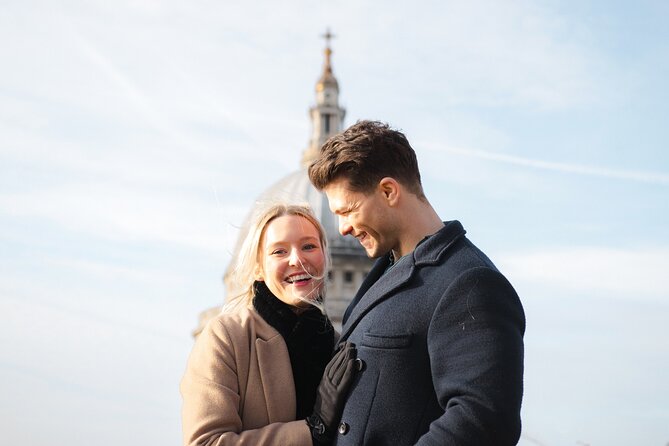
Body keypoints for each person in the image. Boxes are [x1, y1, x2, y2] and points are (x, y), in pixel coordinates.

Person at [308, 120, 526, 445]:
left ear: (388, 191)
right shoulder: (385, 269)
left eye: (349, 210)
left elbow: (482, 421)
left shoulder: (470, 282)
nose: (342, 228)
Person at [180, 203, 358, 446]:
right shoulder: (226, 337)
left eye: (309, 246)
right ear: (258, 268)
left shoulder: (341, 346)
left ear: (325, 258)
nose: (297, 260)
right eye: (279, 251)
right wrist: (313, 429)